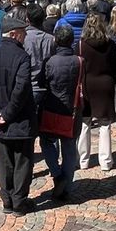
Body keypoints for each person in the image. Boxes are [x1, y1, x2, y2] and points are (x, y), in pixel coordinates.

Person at [0, 15, 37, 216]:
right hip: (19, 119)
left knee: (4, 162)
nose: (25, 37)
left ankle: (7, 200)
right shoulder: (22, 57)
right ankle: (19, 201)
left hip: (2, 120)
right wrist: (5, 113)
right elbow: (21, 89)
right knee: (22, 161)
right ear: (13, 34)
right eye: (23, 34)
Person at [39, 26, 80, 200]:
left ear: (56, 40)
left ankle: (57, 174)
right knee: (69, 149)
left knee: (47, 143)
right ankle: (67, 186)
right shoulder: (80, 61)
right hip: (72, 110)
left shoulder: (49, 62)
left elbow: (43, 83)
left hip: (52, 108)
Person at [77, 14, 116, 171]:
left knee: (84, 123)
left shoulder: (81, 44)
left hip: (87, 84)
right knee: (105, 124)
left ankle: (83, 160)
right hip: (105, 83)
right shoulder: (110, 44)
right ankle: (106, 161)